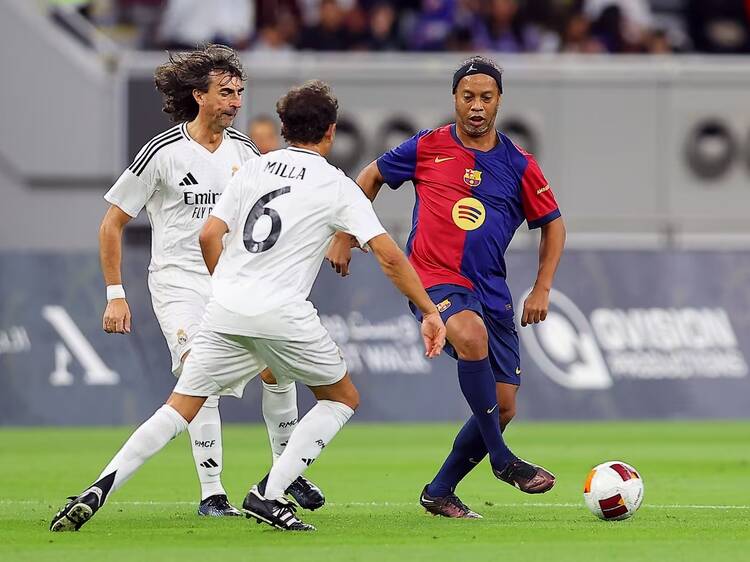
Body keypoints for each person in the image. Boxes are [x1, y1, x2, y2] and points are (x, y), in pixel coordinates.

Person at [50, 79, 446, 533]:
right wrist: (430, 311)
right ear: (331, 132)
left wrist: (229, 287)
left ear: (282, 129)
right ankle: (270, 493)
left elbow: (207, 235)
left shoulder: (253, 170)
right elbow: (389, 255)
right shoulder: (336, 184)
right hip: (281, 310)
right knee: (341, 398)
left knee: (179, 407)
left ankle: (100, 486)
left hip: (225, 307)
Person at [327, 55, 566, 518]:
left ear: (499, 101)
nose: (476, 106)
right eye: (468, 97)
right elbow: (371, 176)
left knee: (503, 404)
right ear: (455, 99)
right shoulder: (427, 147)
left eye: (486, 98)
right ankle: (502, 460)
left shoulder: (519, 164)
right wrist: (344, 232)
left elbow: (553, 225)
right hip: (432, 276)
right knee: (471, 336)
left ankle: (439, 491)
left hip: (490, 289)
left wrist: (542, 287)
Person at [95, 44, 323, 517]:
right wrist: (116, 294)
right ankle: (212, 491)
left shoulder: (247, 152)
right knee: (200, 378)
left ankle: (284, 475)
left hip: (235, 281)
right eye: (225, 92)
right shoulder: (162, 152)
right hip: (179, 283)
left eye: (239, 91)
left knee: (277, 371)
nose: (236, 101)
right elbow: (112, 222)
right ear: (199, 96)